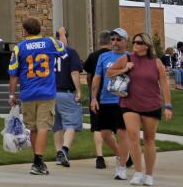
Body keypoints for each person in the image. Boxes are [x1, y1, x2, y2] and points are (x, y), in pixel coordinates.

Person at [107, 31, 173, 186]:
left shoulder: (156, 62)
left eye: (139, 43)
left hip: (151, 104)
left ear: (147, 46)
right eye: (135, 42)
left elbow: (164, 85)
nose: (136, 45)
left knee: (149, 140)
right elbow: (109, 73)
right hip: (129, 104)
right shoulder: (127, 58)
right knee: (133, 137)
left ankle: (149, 175)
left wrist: (168, 106)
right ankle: (137, 172)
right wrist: (124, 69)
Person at [8, 18, 68, 176]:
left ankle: (37, 161)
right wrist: (62, 34)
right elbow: (64, 50)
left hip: (28, 92)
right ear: (39, 29)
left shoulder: (19, 48)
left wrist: (12, 94)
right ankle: (38, 161)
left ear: (25, 31)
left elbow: (13, 74)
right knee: (43, 127)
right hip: (46, 91)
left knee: (33, 128)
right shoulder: (50, 42)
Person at [91, 27, 132, 181]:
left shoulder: (131, 57)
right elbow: (96, 78)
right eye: (113, 39)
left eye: (118, 39)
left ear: (125, 42)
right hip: (105, 99)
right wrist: (94, 98)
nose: (115, 42)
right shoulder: (104, 57)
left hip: (124, 101)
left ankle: (121, 167)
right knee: (105, 134)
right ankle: (121, 155)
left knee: (122, 133)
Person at [83, 30, 115, 169]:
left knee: (97, 127)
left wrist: (92, 93)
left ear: (99, 41)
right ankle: (125, 156)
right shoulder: (115, 56)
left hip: (96, 96)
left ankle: (99, 157)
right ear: (111, 41)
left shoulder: (93, 56)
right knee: (117, 128)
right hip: (113, 95)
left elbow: (89, 76)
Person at [52, 29, 83, 168]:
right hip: (66, 92)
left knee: (56, 125)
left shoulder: (49, 53)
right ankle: (64, 150)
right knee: (72, 123)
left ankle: (58, 153)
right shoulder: (71, 52)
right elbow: (75, 72)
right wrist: (79, 91)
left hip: (50, 93)